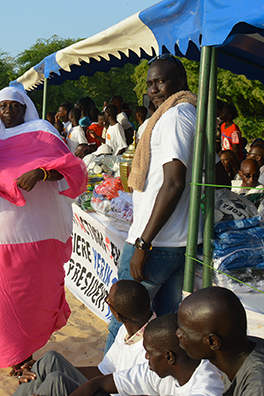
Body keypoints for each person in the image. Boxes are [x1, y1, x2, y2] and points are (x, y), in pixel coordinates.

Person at [0, 86, 87, 374]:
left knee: (28, 293)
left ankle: (21, 354)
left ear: (24, 107)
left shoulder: (42, 130)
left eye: (13, 105)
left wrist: (40, 172)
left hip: (34, 231)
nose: (8, 110)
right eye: (2, 106)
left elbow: (69, 168)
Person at [106, 54, 197, 352]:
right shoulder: (177, 114)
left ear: (179, 82)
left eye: (160, 81)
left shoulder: (176, 116)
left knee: (123, 323)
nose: (153, 89)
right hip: (173, 242)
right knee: (167, 326)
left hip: (156, 244)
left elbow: (174, 181)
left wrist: (144, 243)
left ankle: (110, 381)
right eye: (149, 84)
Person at [12, 280, 152, 396]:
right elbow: (103, 371)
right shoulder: (128, 329)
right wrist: (43, 368)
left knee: (56, 381)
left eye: (108, 301)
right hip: (104, 387)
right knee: (49, 360)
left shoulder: (151, 349)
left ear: (118, 316)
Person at [177, 287, 264, 395]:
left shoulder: (260, 386)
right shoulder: (239, 351)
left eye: (183, 332)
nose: (177, 334)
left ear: (213, 342)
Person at [71, 314, 224, 396]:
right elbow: (99, 383)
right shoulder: (157, 372)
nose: (146, 357)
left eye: (149, 353)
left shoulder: (207, 386)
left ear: (169, 357)